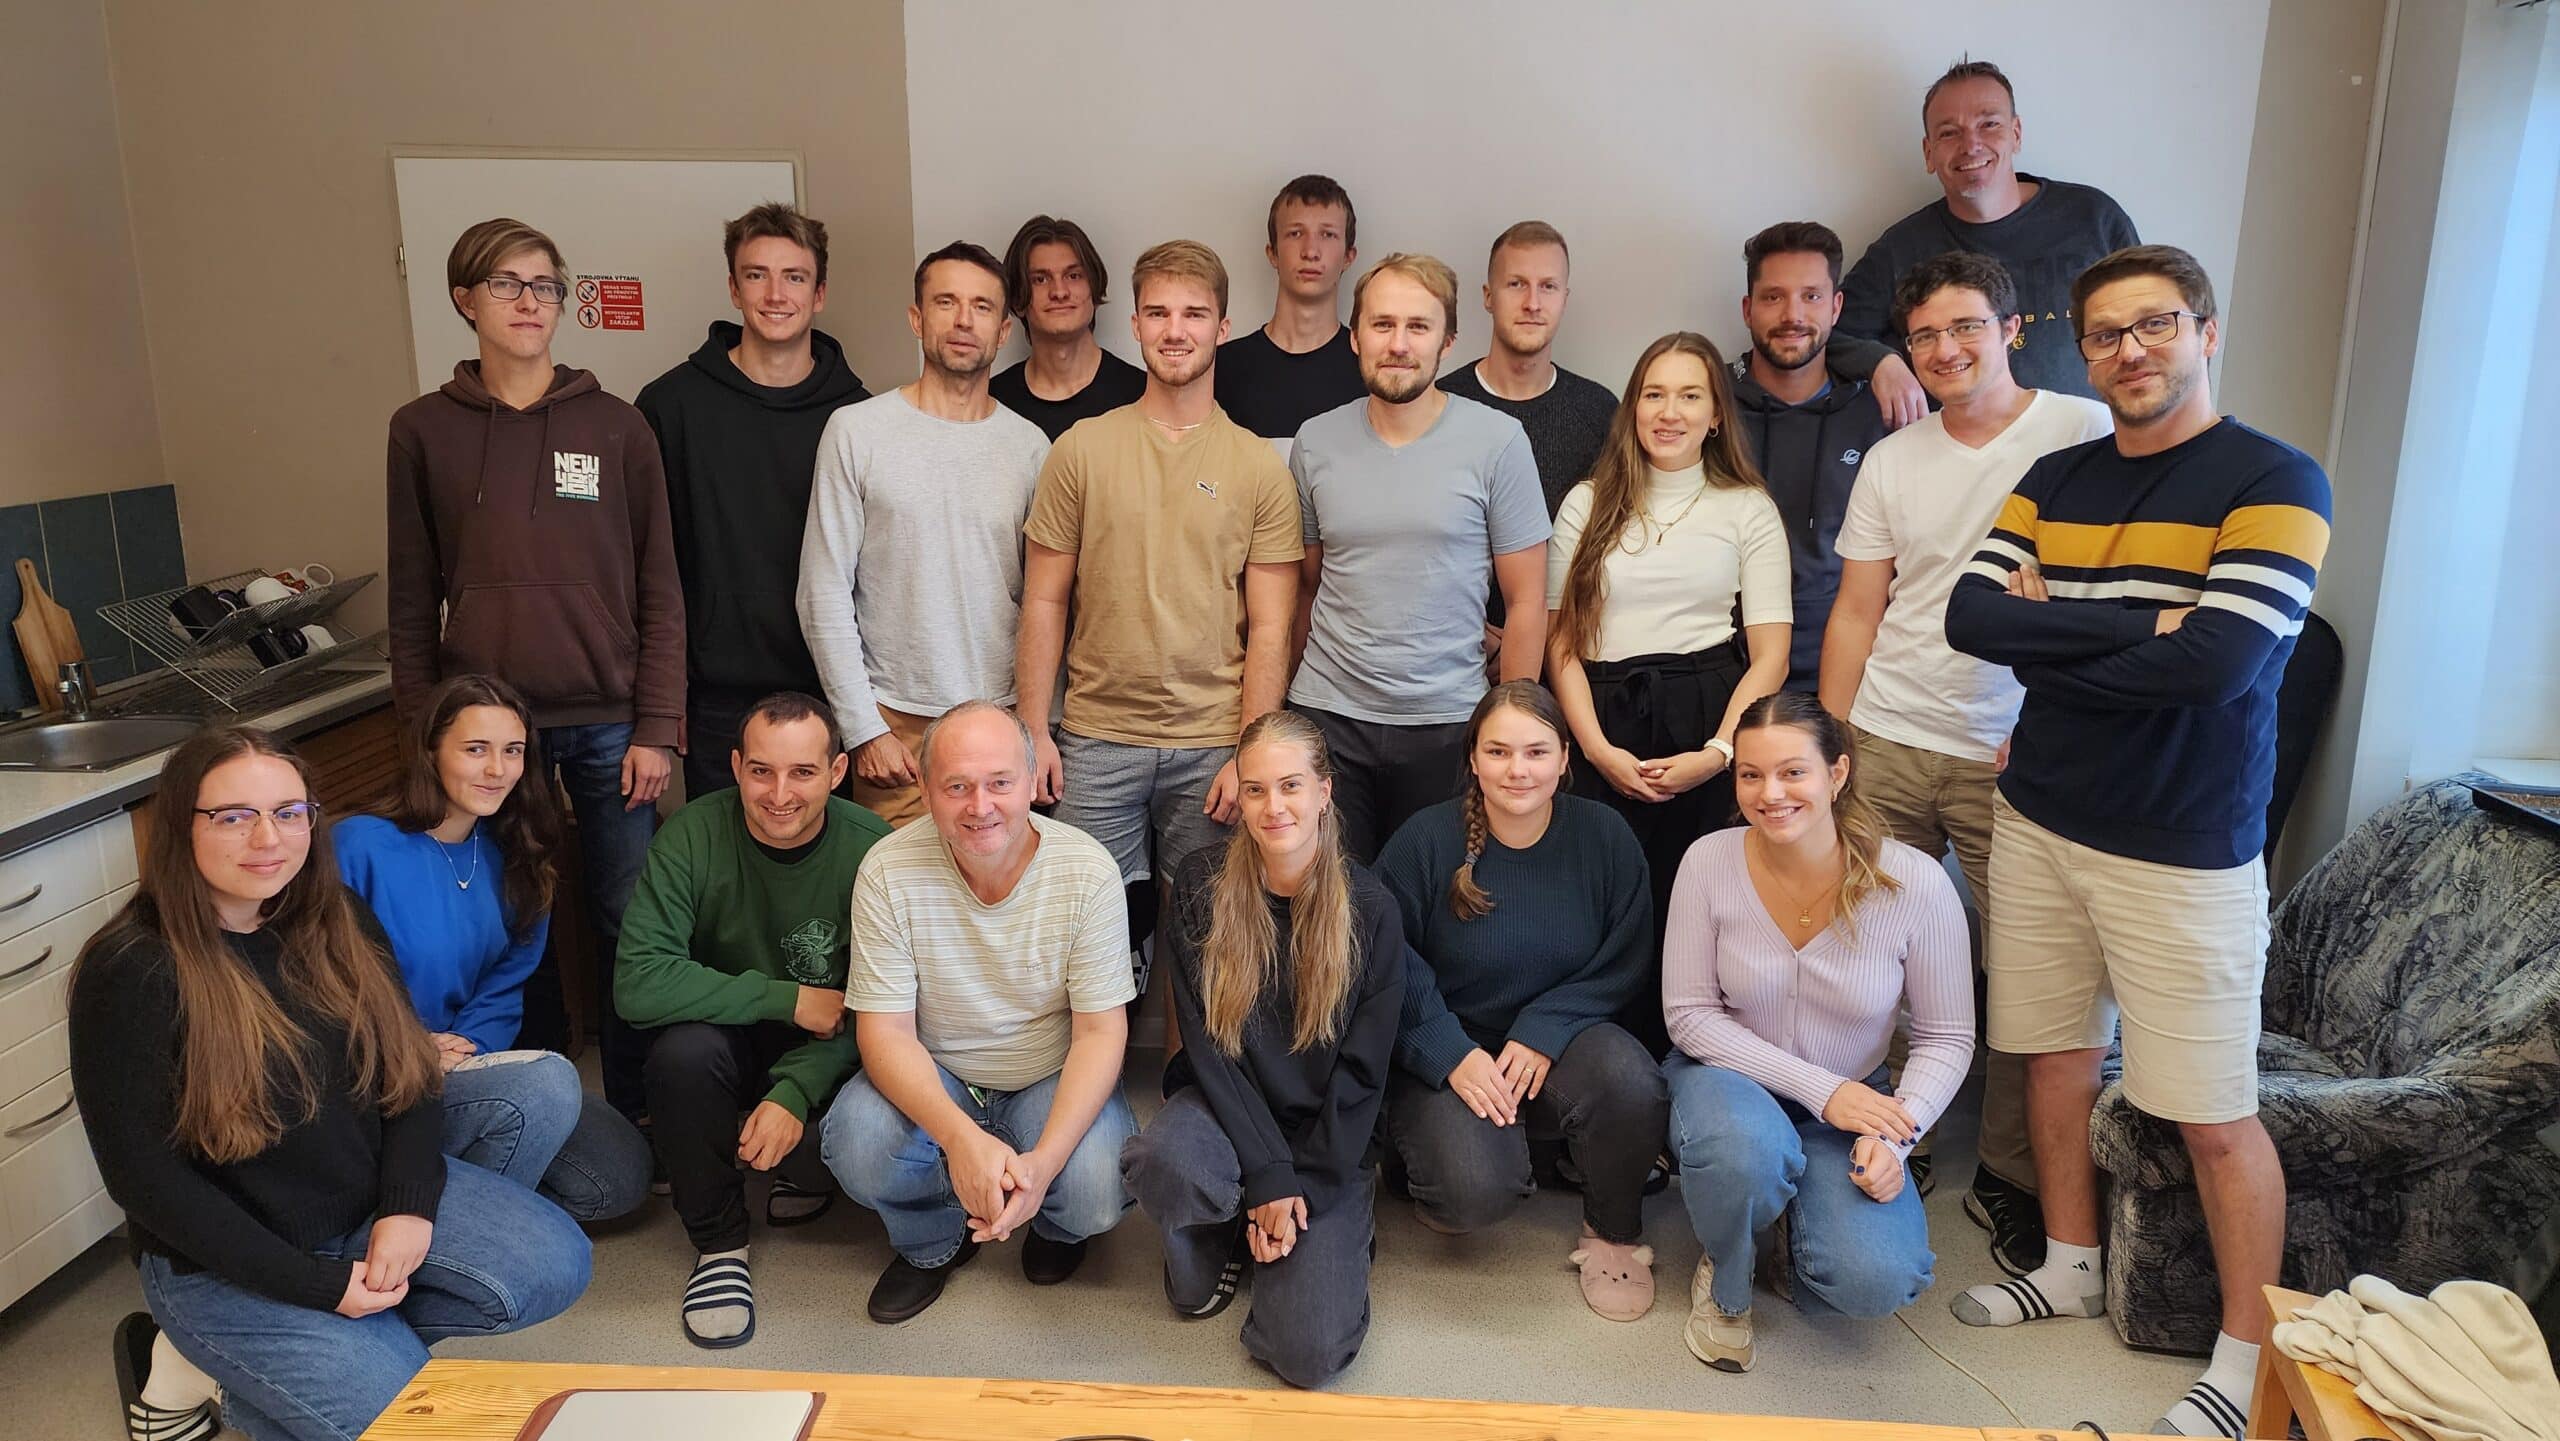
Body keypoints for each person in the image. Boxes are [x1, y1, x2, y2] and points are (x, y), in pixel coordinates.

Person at [1943, 245, 2331, 1440]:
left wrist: (2060, 636)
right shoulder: (2054, 477)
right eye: (2106, 334)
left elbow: (2218, 665)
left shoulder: (2277, 478)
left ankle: (2245, 1364)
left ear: (2205, 331)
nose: (2129, 352)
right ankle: (2069, 1263)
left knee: (2212, 1114)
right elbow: (1970, 615)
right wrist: (2146, 623)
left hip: (2182, 846)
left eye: (2155, 325)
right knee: (2053, 1056)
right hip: (2041, 816)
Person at [71, 727, 589, 1441]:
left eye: (289, 812)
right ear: (180, 825)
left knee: (556, 1264)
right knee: (418, 1430)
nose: (269, 838)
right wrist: (315, 1289)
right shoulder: (130, 969)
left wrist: (407, 1207)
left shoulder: (336, 916)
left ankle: (287, 1365)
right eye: (234, 815)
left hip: (355, 1206)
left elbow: (408, 1072)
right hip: (223, 1264)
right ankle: (217, 1368)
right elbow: (147, 1183)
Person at [1818, 251, 2113, 1268]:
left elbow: (2109, 590)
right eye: (1925, 337)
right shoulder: (1894, 457)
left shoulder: (2080, 430)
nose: (1945, 350)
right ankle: (1888, 1130)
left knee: (2028, 969)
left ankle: (2008, 1172)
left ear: (2012, 328)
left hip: (2015, 746)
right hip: (1891, 733)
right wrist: (1833, 743)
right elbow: (1859, 607)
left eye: (1965, 328)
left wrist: (2060, 712)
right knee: (1874, 954)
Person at [388, 216, 683, 1126]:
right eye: (506, 284)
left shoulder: (618, 425)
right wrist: (424, 733)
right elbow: (411, 596)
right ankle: (534, 1101)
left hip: (610, 720)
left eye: (545, 286)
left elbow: (661, 585)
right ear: (464, 299)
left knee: (628, 913)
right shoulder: (422, 431)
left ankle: (637, 1113)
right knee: (514, 918)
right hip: (485, 730)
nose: (529, 302)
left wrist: (657, 726)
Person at [1661, 692, 1973, 1373]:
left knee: (1874, 1281)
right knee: (1746, 1151)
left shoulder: (1917, 884)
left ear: (1837, 773)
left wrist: (1897, 1135)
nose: (1770, 794)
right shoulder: (1707, 861)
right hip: (1728, 1082)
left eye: (1793, 772)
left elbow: (1947, 1037)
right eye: (1750, 775)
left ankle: (1783, 1223)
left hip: (1856, 1101)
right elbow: (1688, 1016)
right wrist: (1822, 1090)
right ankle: (1728, 1280)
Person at [1015, 239, 1302, 978]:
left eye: (1194, 314)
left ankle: (1186, 1061)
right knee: (1084, 940)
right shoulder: (1080, 450)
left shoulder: (1258, 466)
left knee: (1206, 948)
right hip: (1094, 738)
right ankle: (1093, 1061)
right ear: (1135, 325)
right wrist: (1032, 731)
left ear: (1223, 327)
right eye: (1159, 313)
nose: (1176, 330)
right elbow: (1043, 598)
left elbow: (1273, 625)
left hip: (1213, 742)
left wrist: (1251, 753)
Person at [822, 703, 1136, 1323]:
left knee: (1097, 1189)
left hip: (1046, 1074)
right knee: (856, 1142)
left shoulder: (1088, 870)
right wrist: (960, 1139)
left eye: (1000, 783)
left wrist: (1044, 1166)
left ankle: (1052, 1222)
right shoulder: (886, 870)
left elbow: (1101, 1033)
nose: (980, 806)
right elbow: (885, 1034)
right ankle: (934, 1239)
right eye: (957, 787)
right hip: (941, 1071)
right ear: (925, 788)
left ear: (1032, 781)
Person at [1120, 710, 1404, 1388]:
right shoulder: (1200, 885)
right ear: (1239, 798)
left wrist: (1298, 1185)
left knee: (1306, 1354)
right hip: (1225, 1108)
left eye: (1291, 785)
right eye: (1255, 789)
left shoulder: (1371, 908)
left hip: (1325, 1140)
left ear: (1324, 791)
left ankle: (1317, 1231)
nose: (1273, 806)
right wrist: (1267, 1175)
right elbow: (1211, 1052)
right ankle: (1221, 1229)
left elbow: (1363, 1076)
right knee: (1165, 1160)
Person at [1374, 682, 1665, 1322]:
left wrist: (1545, 1026)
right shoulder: (1425, 840)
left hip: (1562, 1038)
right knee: (1472, 1193)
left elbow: (1626, 956)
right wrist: (1448, 1051)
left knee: (1633, 1082)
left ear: (1565, 759)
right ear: (1473, 759)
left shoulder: (1605, 835)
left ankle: (1612, 1229)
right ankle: (1432, 1158)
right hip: (1453, 1047)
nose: (1518, 770)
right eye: (1498, 751)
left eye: (1536, 752)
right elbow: (1381, 957)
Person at [612, 693, 892, 1348]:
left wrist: (794, 1090)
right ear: (736, 766)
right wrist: (785, 997)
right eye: (761, 770)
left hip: (833, 1052)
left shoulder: (874, 850)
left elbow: (887, 1005)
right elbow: (638, 982)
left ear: (837, 772)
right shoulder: (691, 834)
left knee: (844, 1149)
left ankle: (799, 1162)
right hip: (730, 1040)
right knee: (681, 1056)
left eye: (803, 772)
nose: (779, 794)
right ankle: (720, 1246)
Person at [334, 673, 652, 1224]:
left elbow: (506, 984)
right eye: (475, 749)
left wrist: (468, 1048)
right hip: (374, 1074)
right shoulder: (359, 845)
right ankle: (444, 1228)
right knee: (546, 1086)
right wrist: (409, 1048)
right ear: (430, 751)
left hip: (460, 1062)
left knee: (620, 1173)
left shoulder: (518, 856)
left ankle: (439, 1193)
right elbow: (322, 982)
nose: (497, 769)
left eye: (513, 751)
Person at [1545, 331, 1791, 1022]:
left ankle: (1692, 1049)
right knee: (1598, 901)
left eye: (1690, 396)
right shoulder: (1586, 502)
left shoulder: (1747, 507)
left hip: (1709, 716)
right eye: (1654, 394)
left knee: (1698, 905)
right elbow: (1560, 642)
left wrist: (1719, 753)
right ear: (1632, 408)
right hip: (1600, 718)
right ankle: (1602, 1052)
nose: (1669, 412)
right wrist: (1595, 749)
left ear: (1716, 415)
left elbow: (1770, 654)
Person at [1288, 252, 1549, 861]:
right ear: (1355, 336)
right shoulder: (1315, 440)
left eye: (1418, 327)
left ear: (1448, 341)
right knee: (1333, 902)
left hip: (1450, 726)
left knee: (1439, 897)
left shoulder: (1498, 441)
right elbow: (1306, 587)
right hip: (1329, 719)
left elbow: (1528, 600)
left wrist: (1510, 726)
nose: (1399, 344)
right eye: (1382, 324)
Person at [797, 241, 1049, 828]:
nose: (963, 320)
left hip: (1001, 721)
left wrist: (1038, 725)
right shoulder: (856, 432)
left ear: (1003, 331)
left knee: (996, 884)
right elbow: (822, 592)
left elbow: (1048, 600)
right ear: (916, 318)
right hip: (895, 728)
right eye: (946, 302)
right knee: (898, 885)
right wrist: (864, 729)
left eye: (982, 307)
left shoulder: (1031, 448)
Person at [636, 202, 869, 802]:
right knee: (722, 856)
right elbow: (648, 564)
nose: (775, 294)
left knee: (826, 858)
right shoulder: (671, 406)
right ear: (733, 289)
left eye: (794, 277)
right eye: (756, 275)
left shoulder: (859, 417)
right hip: (715, 696)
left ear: (819, 293)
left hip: (830, 690)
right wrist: (664, 699)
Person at [1838, 60, 2141, 400]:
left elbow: (2153, 321)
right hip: (1956, 434)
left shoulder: (2094, 219)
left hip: (2094, 432)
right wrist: (1881, 363)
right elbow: (1832, 336)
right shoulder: (1900, 250)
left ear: (2016, 134)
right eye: (1949, 132)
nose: (1971, 145)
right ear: (1929, 153)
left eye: (1989, 124)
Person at [1730, 222, 1894, 691]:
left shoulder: (1880, 412)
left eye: (1812, 296)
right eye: (1773, 297)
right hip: (1725, 665)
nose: (1793, 315)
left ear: (1836, 307)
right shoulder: (1706, 406)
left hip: (1852, 666)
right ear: (1748, 309)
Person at [1436, 222, 1619, 520]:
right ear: (1488, 297)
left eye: (1548, 287)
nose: (1532, 304)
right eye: (1516, 284)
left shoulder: (1600, 411)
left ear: (1564, 300)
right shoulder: (1440, 404)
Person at [1215, 175, 1366, 459]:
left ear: (1349, 256)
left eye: (1328, 234)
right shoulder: (1220, 369)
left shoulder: (1372, 370)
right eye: (1295, 233)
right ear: (1272, 253)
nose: (1310, 252)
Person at [989, 215, 1148, 440]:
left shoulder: (1143, 395)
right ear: (1017, 299)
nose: (1060, 292)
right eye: (1040, 279)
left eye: (1073, 276)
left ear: (1094, 288)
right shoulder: (992, 402)